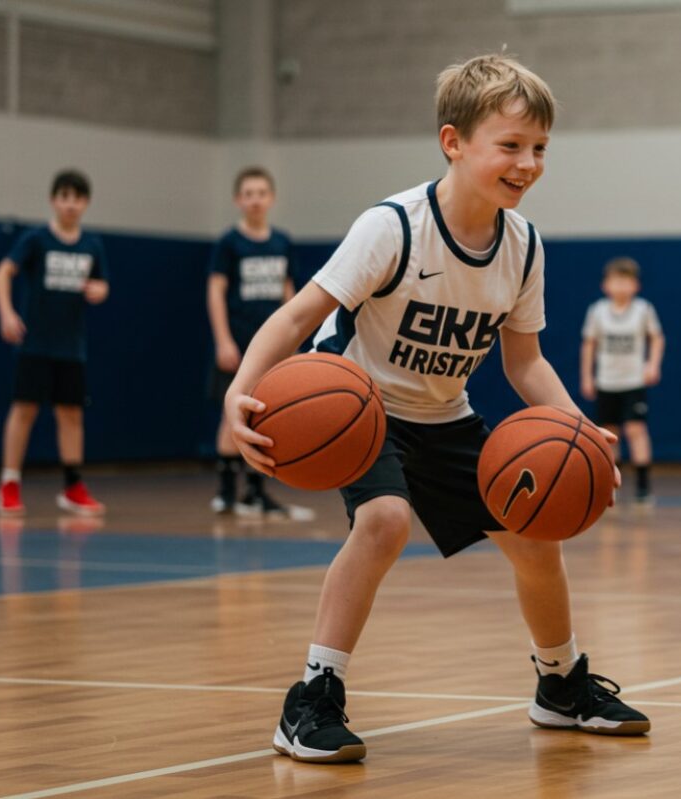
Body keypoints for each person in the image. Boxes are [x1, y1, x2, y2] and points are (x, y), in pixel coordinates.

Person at [225, 54, 649, 764]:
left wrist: (575, 424)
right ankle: (312, 696)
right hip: (357, 403)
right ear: (453, 143)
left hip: (444, 412)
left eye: (539, 147)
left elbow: (525, 362)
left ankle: (560, 683)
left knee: (533, 536)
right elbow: (299, 314)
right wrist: (243, 390)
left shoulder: (522, 245)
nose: (528, 163)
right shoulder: (392, 226)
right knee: (384, 520)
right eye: (510, 146)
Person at [0, 169, 110, 516]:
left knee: (71, 414)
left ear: (85, 203)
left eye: (77, 198)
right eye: (65, 197)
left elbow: (102, 286)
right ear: (53, 200)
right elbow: (2, 272)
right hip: (35, 345)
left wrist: (100, 292)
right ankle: (10, 482)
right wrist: (6, 313)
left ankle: (73, 486)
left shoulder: (92, 245)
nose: (71, 204)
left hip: (71, 347)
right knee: (24, 409)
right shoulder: (36, 239)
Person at [207, 166, 307, 518]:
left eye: (261, 193)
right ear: (238, 200)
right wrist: (222, 340)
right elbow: (216, 291)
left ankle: (256, 492)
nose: (254, 199)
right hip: (238, 343)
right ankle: (225, 492)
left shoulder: (282, 242)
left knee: (267, 419)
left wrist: (293, 341)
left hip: (272, 346)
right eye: (248, 193)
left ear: (272, 198)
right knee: (230, 414)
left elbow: (289, 293)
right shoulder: (229, 243)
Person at [580, 257, 664, 503]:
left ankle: (643, 487)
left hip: (633, 381)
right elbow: (589, 345)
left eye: (626, 281)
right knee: (610, 434)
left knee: (636, 430)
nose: (620, 286)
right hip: (606, 381)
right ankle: (610, 484)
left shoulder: (643, 310)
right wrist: (587, 377)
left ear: (635, 285)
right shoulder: (597, 311)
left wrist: (652, 364)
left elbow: (657, 338)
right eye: (615, 281)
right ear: (605, 285)